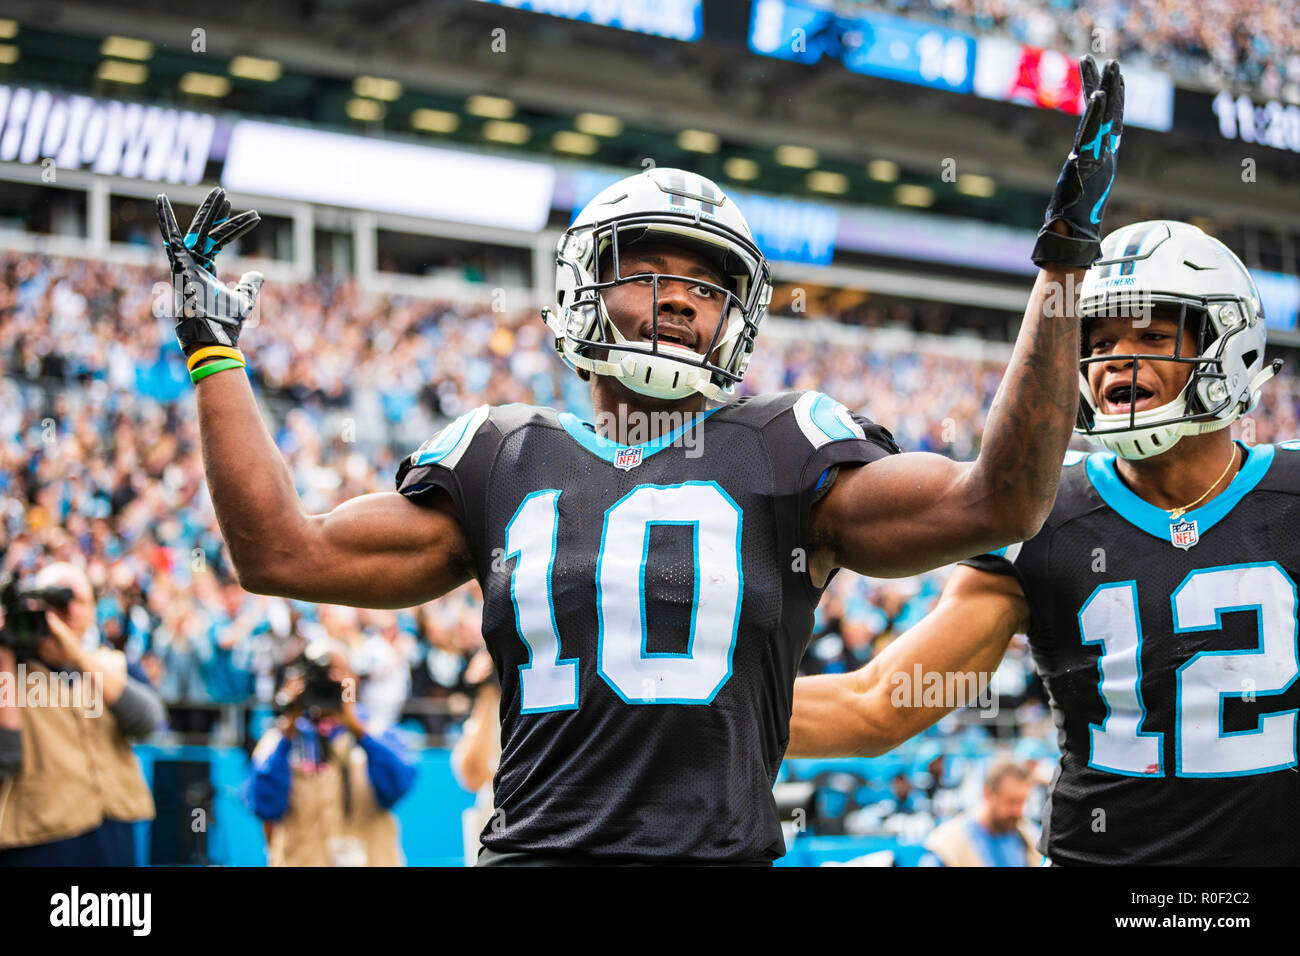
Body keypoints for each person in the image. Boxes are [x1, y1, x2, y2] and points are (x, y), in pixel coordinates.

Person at [156, 58, 1123, 865]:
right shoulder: (500, 453)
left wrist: (1065, 268)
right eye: (649, 268)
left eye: (710, 285)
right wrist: (211, 349)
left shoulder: (789, 446)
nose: (681, 298)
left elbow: (1000, 499)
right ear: (581, 289)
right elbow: (279, 554)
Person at [788, 220, 1298, 865]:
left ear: (1229, 345)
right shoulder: (1040, 513)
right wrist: (677, 709)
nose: (1118, 355)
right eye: (1101, 338)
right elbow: (880, 703)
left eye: (1151, 334)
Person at [0, 561, 165, 866]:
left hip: (113, 835)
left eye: (79, 602)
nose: (69, 612)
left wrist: (77, 655)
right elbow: (5, 755)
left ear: (92, 610)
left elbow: (150, 722)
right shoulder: (10, 671)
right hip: (38, 841)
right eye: (58, 603)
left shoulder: (112, 665)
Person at [245, 640, 416, 866]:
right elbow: (265, 805)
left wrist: (356, 729)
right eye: (321, 675)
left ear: (353, 679)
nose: (330, 682)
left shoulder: (377, 730)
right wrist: (290, 724)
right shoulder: (279, 739)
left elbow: (397, 787)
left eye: (339, 672)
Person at [923, 759, 1040, 867]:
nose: (1018, 812)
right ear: (988, 793)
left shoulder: (1028, 838)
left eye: (1022, 803)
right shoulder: (948, 844)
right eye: (1011, 802)